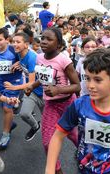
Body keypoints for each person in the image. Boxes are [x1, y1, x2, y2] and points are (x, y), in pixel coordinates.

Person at [27, 27, 80, 174]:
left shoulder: (64, 60)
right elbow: (44, 76)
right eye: (43, 38)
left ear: (58, 45)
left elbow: (77, 85)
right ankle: (57, 170)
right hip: (50, 104)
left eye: (49, 39)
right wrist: (33, 85)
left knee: (74, 136)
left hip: (68, 104)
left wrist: (58, 90)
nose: (44, 41)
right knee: (47, 143)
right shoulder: (39, 57)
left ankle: (87, 160)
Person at [5, 32, 44, 141]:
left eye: (18, 42)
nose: (14, 44)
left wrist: (14, 87)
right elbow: (22, 60)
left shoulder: (32, 58)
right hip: (31, 92)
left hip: (44, 92)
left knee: (48, 122)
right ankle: (36, 127)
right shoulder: (19, 53)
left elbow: (31, 82)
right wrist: (17, 63)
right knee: (24, 114)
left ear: (26, 45)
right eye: (13, 42)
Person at [0, 28, 23, 149]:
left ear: (7, 40)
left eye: (0, 39)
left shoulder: (13, 49)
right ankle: (10, 123)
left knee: (7, 108)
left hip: (14, 83)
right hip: (1, 82)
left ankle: (5, 135)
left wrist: (20, 64)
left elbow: (28, 58)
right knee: (4, 106)